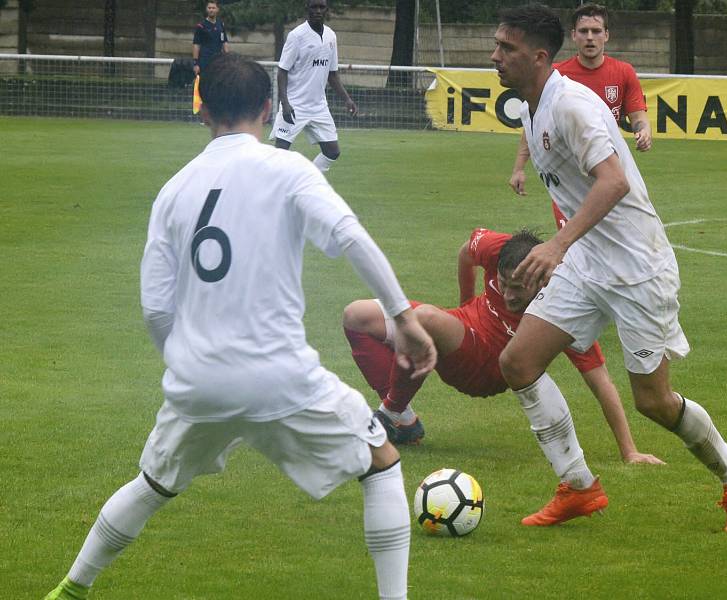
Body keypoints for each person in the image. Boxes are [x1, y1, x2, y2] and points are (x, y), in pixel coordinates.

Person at [43, 53, 436, 600]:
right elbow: (350, 236)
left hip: (197, 381)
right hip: (278, 376)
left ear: (201, 110)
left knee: (153, 484)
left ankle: (71, 588)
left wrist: (187, 362)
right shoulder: (289, 168)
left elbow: (156, 308)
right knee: (382, 465)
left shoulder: (174, 190)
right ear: (270, 107)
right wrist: (405, 318)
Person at [490, 4, 727, 531]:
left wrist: (556, 245)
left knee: (654, 402)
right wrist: (563, 249)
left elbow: (612, 182)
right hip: (589, 261)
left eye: (508, 48)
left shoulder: (572, 106)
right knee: (518, 363)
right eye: (497, 45)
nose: (496, 56)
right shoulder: (531, 105)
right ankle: (578, 487)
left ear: (539, 56)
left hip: (639, 266)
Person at [343, 227, 664, 467]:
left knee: (423, 319)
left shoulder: (562, 306)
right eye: (504, 284)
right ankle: (403, 421)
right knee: (357, 316)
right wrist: (467, 303)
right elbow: (466, 253)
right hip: (461, 329)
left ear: (540, 280)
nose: (509, 296)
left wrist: (629, 450)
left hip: (487, 368)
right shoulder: (496, 247)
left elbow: (600, 380)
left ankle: (389, 413)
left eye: (518, 290)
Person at [509, 3, 651, 202]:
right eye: (584, 31)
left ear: (606, 35)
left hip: (607, 167)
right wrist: (519, 168)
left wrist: (643, 130)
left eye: (596, 31)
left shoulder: (623, 72)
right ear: (574, 35)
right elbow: (534, 123)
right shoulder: (555, 76)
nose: (590, 37)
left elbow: (638, 115)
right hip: (567, 175)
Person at [270, 0, 358, 173]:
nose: (318, 11)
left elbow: (332, 74)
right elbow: (282, 71)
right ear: (306, 9)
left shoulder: (331, 36)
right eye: (314, 7)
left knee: (332, 151)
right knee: (280, 154)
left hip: (319, 106)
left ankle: (307, 180)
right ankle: (268, 190)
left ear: (327, 9)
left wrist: (347, 99)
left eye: (321, 7)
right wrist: (285, 103)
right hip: (295, 105)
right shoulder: (297, 36)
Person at [192, 0, 230, 76]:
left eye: (213, 8)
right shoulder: (201, 26)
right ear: (206, 9)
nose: (211, 10)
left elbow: (224, 42)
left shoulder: (221, 24)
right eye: (209, 8)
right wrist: (196, 63)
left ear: (217, 10)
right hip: (205, 62)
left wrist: (228, 58)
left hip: (218, 62)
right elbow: (196, 45)